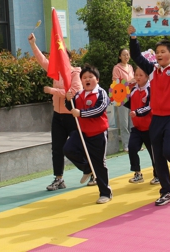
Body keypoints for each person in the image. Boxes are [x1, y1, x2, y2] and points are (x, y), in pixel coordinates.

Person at [128, 20, 170, 207]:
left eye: (163, 51)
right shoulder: (153, 70)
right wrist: (133, 37)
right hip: (156, 118)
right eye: (157, 52)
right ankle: (166, 192)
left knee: (169, 150)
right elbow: (136, 56)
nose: (159, 55)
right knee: (158, 156)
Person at [28, 33, 84, 191]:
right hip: (58, 116)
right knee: (57, 148)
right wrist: (33, 44)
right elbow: (42, 61)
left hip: (72, 116)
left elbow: (73, 92)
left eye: (62, 57)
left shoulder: (75, 74)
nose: (59, 61)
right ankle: (59, 178)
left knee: (77, 146)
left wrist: (52, 90)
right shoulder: (55, 72)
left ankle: (90, 170)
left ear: (69, 59)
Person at [64, 65, 112, 204]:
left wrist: (81, 113)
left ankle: (105, 193)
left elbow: (99, 109)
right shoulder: (79, 94)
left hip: (98, 133)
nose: (87, 80)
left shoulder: (101, 93)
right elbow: (71, 108)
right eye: (84, 78)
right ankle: (87, 168)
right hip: (82, 132)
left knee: (99, 164)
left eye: (90, 77)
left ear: (97, 79)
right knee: (68, 149)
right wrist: (68, 100)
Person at [123, 66, 158, 185]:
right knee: (132, 148)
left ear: (147, 76)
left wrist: (137, 112)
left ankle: (158, 175)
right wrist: (120, 99)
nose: (137, 77)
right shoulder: (133, 89)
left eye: (141, 75)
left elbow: (150, 106)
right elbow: (130, 103)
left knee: (153, 153)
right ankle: (137, 173)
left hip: (150, 128)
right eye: (136, 75)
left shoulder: (150, 89)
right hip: (137, 127)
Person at [112, 48, 135, 152]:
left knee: (132, 122)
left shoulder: (130, 67)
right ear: (119, 56)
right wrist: (129, 82)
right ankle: (126, 144)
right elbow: (116, 83)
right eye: (124, 55)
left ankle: (133, 144)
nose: (126, 56)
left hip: (132, 96)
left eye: (128, 54)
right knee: (124, 122)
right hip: (121, 97)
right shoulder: (116, 68)